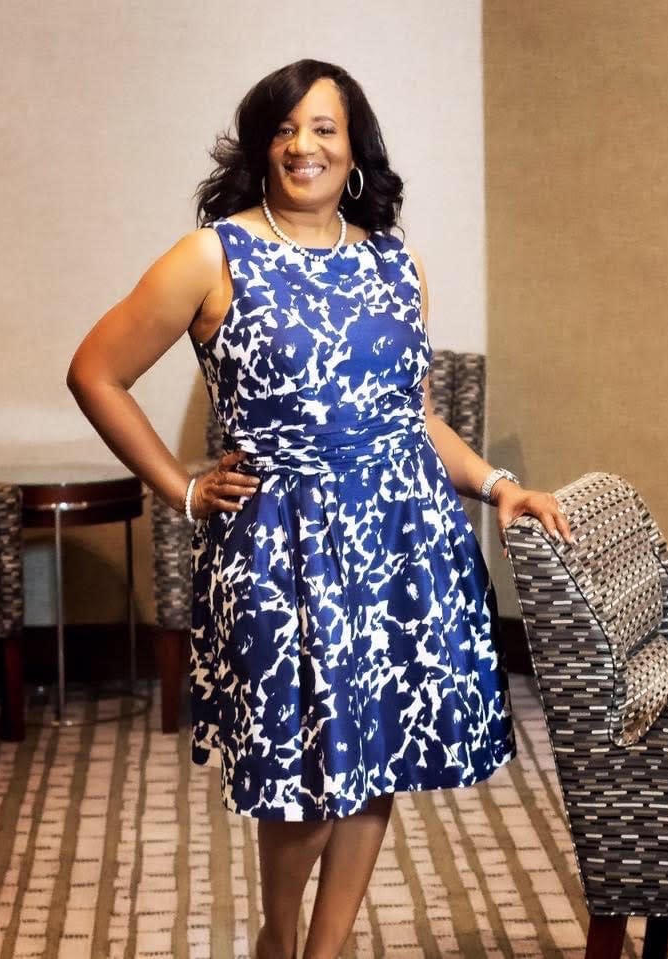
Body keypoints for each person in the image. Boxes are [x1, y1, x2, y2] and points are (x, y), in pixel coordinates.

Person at [67, 58, 573, 959]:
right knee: (300, 766)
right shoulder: (213, 253)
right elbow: (95, 372)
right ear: (263, 146)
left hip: (400, 540)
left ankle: (327, 948)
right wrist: (179, 485)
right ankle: (279, 933)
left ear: (355, 149)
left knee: (372, 752)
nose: (305, 145)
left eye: (325, 129)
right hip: (281, 551)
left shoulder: (394, 259)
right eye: (286, 128)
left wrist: (501, 487)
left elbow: (409, 417)